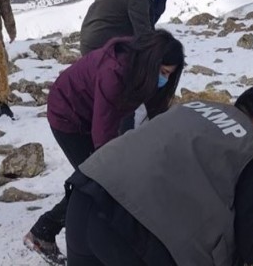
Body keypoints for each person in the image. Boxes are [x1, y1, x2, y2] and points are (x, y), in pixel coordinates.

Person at [64, 84, 253, 265]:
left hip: (84, 197)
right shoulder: (250, 147)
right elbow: (250, 246)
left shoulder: (195, 108)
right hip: (131, 235)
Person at [24, 30, 185, 264]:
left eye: (170, 75)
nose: (165, 80)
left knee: (106, 177)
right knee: (95, 180)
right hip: (67, 114)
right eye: (162, 73)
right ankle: (43, 232)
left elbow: (144, 115)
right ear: (151, 63)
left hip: (90, 113)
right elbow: (103, 134)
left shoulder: (139, 66)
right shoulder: (114, 73)